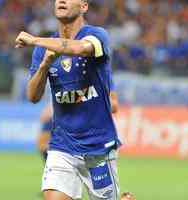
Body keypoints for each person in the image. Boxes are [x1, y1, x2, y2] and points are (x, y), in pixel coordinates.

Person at [15, 0, 121, 199]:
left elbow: (79, 48)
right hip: (62, 146)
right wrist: (45, 64)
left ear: (84, 6)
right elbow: (32, 96)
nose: (61, 0)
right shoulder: (44, 50)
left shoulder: (97, 36)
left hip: (98, 147)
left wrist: (35, 40)